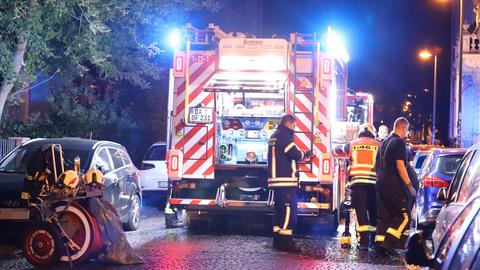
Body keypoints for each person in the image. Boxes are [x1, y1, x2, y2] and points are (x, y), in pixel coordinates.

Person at [268, 114, 312, 252]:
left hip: (275, 180)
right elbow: (294, 154)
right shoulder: (285, 136)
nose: (294, 129)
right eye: (294, 126)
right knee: (288, 210)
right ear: (288, 124)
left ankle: (277, 240)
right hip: (285, 180)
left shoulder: (274, 135)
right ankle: (286, 242)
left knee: (279, 210)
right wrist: (306, 154)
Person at [374, 117, 416, 258]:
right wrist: (410, 186)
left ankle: (379, 246)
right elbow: (400, 166)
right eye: (407, 130)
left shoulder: (383, 143)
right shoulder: (398, 143)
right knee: (405, 216)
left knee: (385, 216)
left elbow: (377, 166)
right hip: (393, 184)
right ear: (402, 128)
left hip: (380, 183)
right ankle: (389, 243)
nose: (406, 133)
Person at [334, 123, 380, 250]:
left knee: (361, 213)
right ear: (372, 132)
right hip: (374, 184)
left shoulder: (352, 144)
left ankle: (363, 243)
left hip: (357, 183)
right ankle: (374, 240)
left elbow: (336, 150)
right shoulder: (378, 145)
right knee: (374, 213)